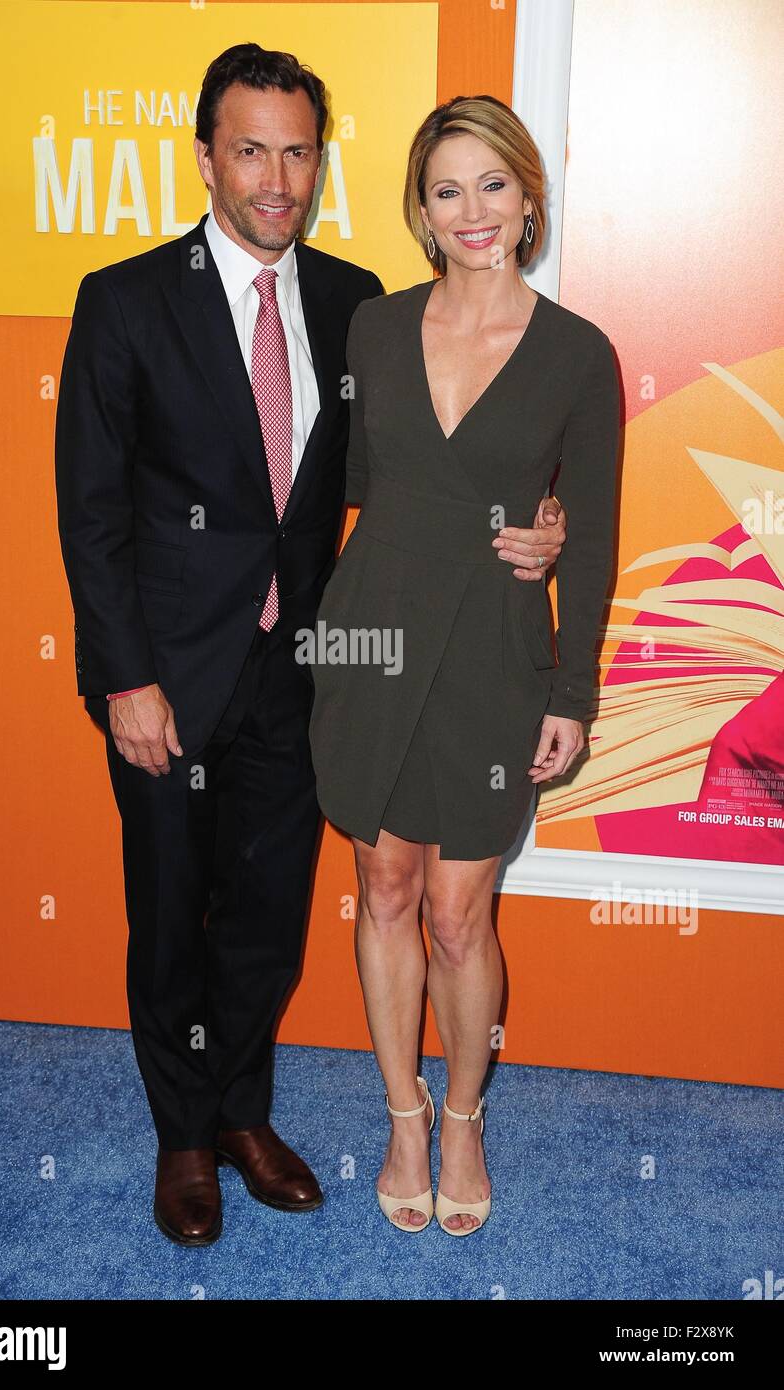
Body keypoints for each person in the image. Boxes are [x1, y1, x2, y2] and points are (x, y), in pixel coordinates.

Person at [55, 46, 567, 1247]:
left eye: (297, 150)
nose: (277, 177)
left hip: (314, 672)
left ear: (319, 163)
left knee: (269, 916)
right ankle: (183, 1135)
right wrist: (125, 672)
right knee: (173, 908)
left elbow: (429, 471)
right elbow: (90, 511)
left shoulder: (355, 305)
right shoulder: (125, 299)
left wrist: (541, 526)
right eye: (251, 149)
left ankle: (242, 1112)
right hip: (166, 679)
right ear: (205, 159)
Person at [308, 96, 620, 1236]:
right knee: (380, 888)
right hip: (372, 635)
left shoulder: (578, 353)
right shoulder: (373, 330)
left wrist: (570, 691)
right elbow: (342, 487)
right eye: (447, 189)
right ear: (421, 208)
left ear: (527, 196)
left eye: (492, 184)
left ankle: (464, 1116)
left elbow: (587, 538)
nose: (472, 210)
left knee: (454, 913)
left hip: (492, 653)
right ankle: (400, 1112)